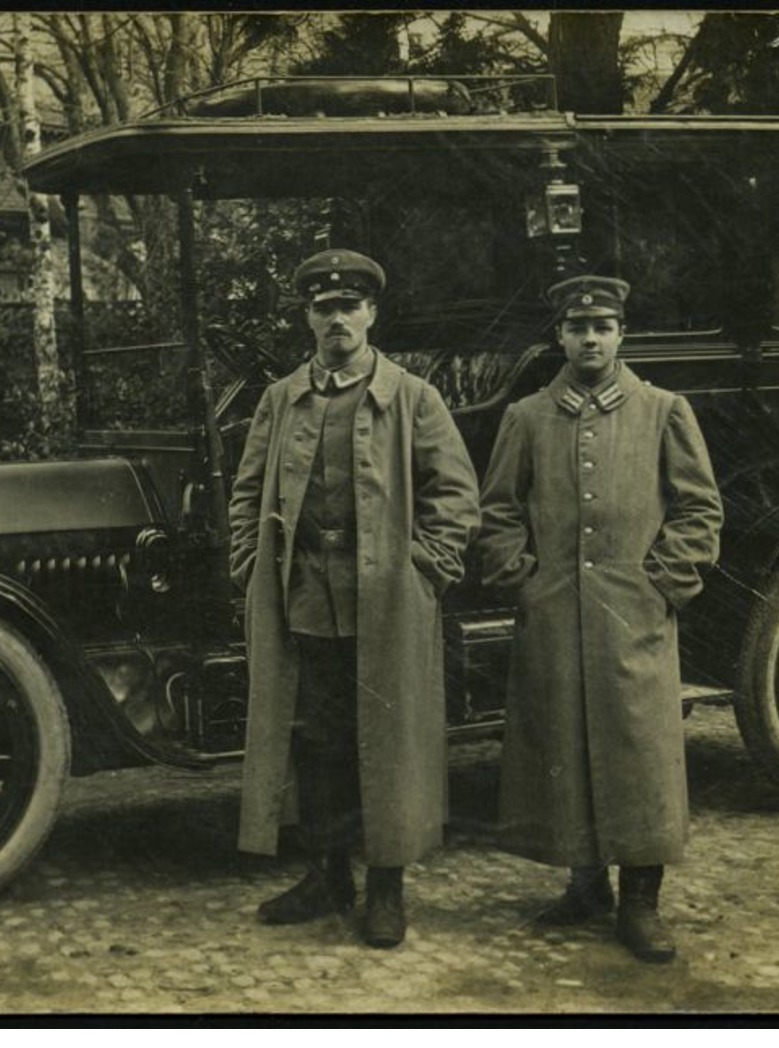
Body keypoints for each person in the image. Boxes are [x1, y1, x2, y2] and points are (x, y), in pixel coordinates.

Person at [229, 248, 480, 949]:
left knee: (387, 743)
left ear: (371, 313)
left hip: (387, 604)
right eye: (322, 308)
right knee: (318, 743)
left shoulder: (411, 396)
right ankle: (327, 875)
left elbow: (455, 495)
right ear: (306, 318)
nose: (335, 320)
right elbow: (248, 492)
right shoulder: (281, 399)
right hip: (305, 600)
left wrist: (423, 568)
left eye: (348, 307)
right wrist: (251, 565)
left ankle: (386, 888)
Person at [476, 274, 723, 963]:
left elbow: (698, 509)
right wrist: (521, 580)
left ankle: (640, 900)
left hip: (632, 616)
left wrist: (662, 585)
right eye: (577, 327)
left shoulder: (661, 410)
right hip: (553, 614)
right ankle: (584, 885)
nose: (590, 338)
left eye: (603, 327)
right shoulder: (526, 417)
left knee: (640, 752)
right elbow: (496, 511)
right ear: (558, 336)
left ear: (621, 334)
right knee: (563, 746)